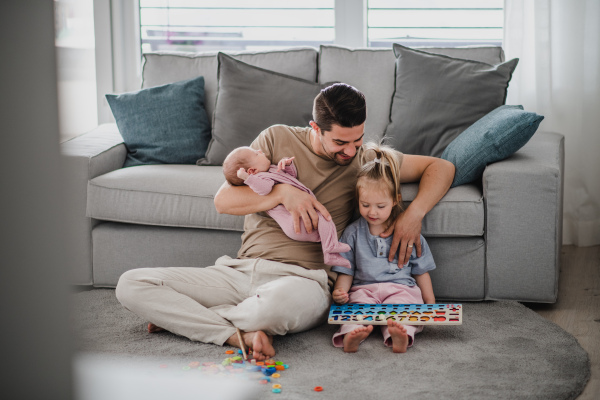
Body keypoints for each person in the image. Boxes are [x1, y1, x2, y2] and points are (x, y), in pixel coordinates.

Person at [115, 83, 455, 361]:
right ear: (315, 128)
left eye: (357, 139)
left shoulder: (367, 160)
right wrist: (280, 194)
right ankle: (234, 334)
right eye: (340, 142)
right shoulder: (276, 139)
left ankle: (186, 319)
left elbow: (441, 168)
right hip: (239, 271)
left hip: (302, 281)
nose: (350, 151)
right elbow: (223, 200)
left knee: (270, 312)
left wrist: (413, 215)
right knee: (131, 284)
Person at [330, 142, 436, 353]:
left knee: (405, 308)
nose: (372, 212)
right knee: (354, 307)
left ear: (396, 200)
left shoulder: (408, 231)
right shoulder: (352, 233)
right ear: (358, 200)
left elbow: (421, 270)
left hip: (399, 289)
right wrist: (339, 291)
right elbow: (346, 270)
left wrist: (430, 301)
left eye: (381, 206)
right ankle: (351, 336)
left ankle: (399, 335)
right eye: (365, 205)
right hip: (364, 291)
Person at [221, 146, 350, 268]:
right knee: (325, 220)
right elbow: (264, 189)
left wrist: (287, 166)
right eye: (256, 153)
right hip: (293, 222)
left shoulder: (270, 170)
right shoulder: (258, 178)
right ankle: (331, 248)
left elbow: (291, 178)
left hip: (299, 219)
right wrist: (248, 179)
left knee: (324, 225)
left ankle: (329, 252)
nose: (260, 151)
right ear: (252, 171)